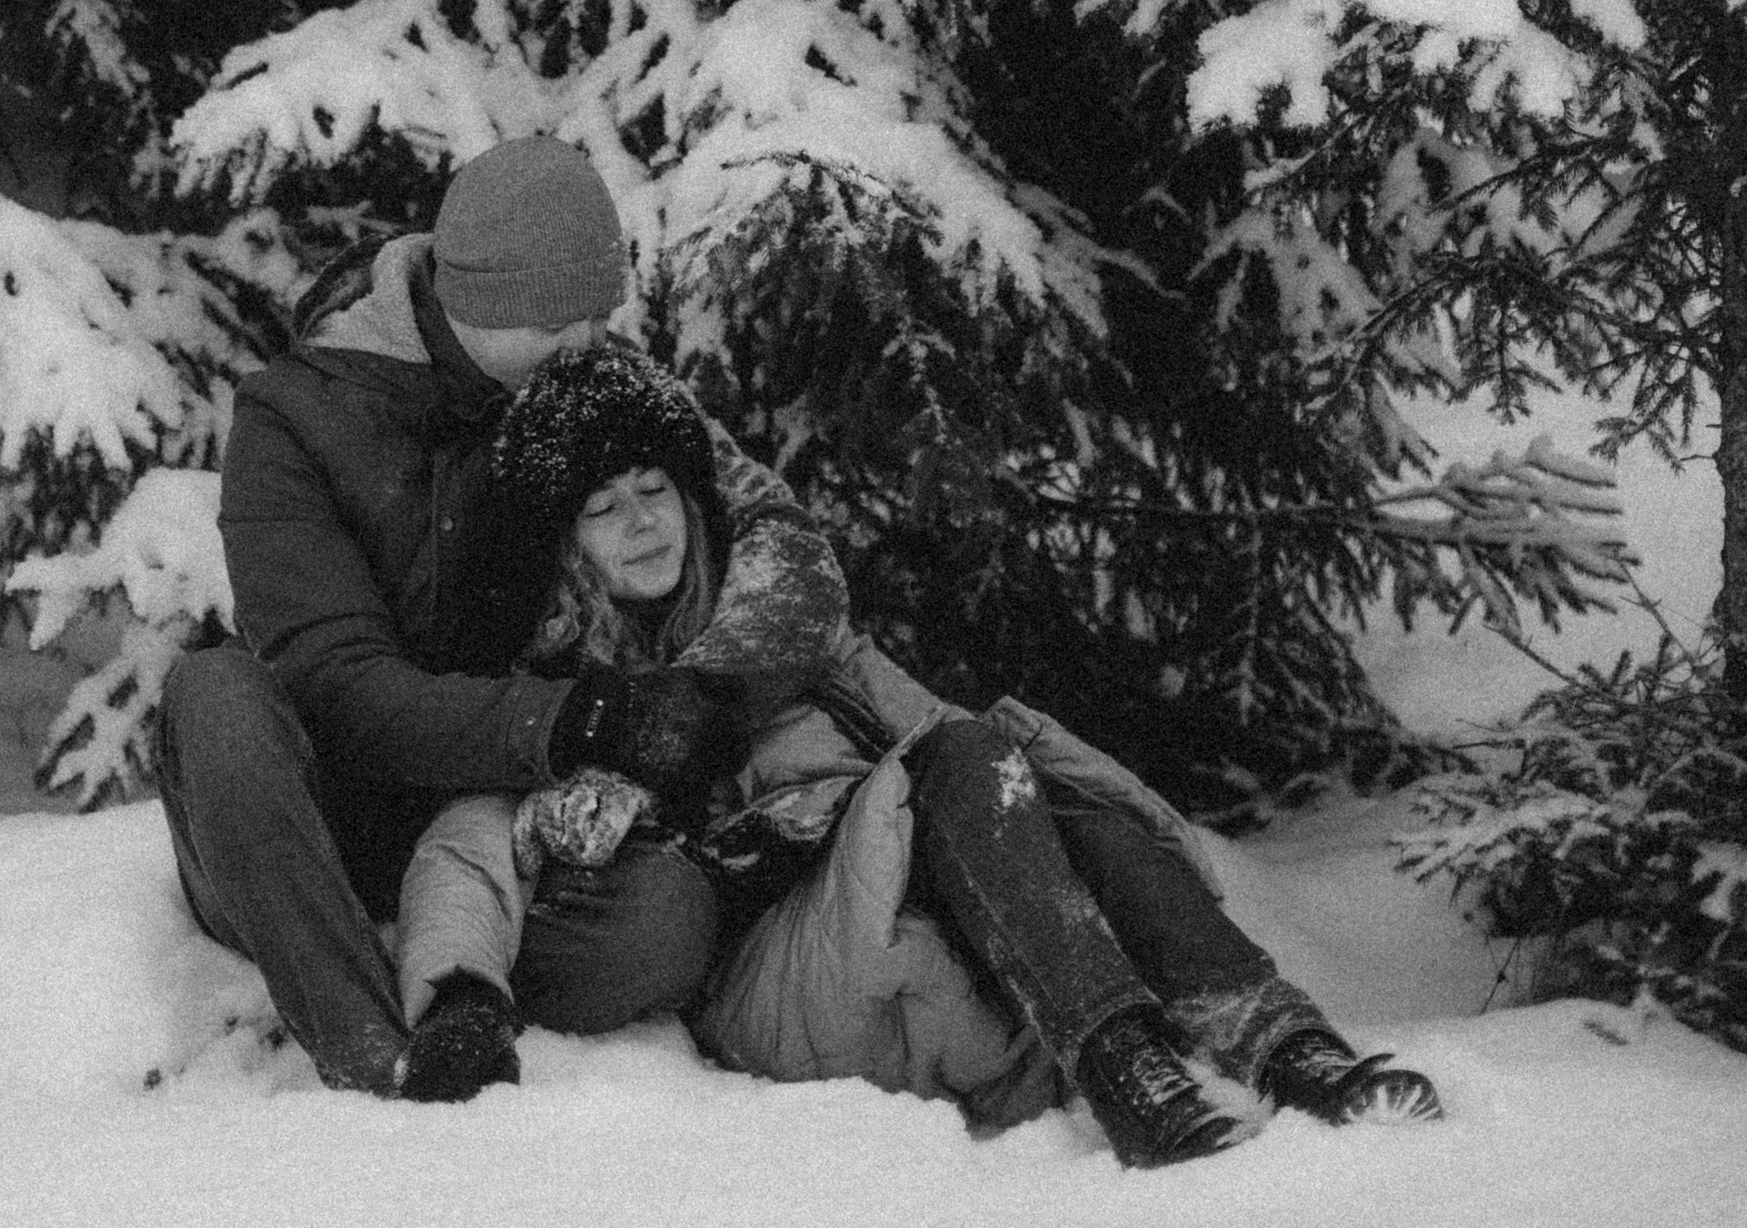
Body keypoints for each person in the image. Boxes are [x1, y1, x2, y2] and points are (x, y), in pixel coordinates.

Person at [393, 339, 1447, 1165]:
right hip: (776, 972)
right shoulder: (564, 698)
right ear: (561, 544)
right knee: (965, 761)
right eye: (599, 507)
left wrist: (1120, 829)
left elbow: (977, 769)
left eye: (652, 488)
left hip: (895, 916)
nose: (639, 522)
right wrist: (459, 1001)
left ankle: (1291, 1048)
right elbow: (466, 846)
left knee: (1028, 786)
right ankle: (1124, 1067)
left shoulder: (788, 634)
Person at [156, 135, 834, 1096]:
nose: (586, 344)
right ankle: (373, 1054)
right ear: (468, 302)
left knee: (667, 921)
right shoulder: (293, 423)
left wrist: (701, 693)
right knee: (216, 697)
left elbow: (774, 530)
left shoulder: (585, 374)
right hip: (310, 842)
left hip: (510, 845)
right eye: (556, 322)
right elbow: (339, 687)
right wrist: (574, 720)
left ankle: (461, 995)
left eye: (598, 315)